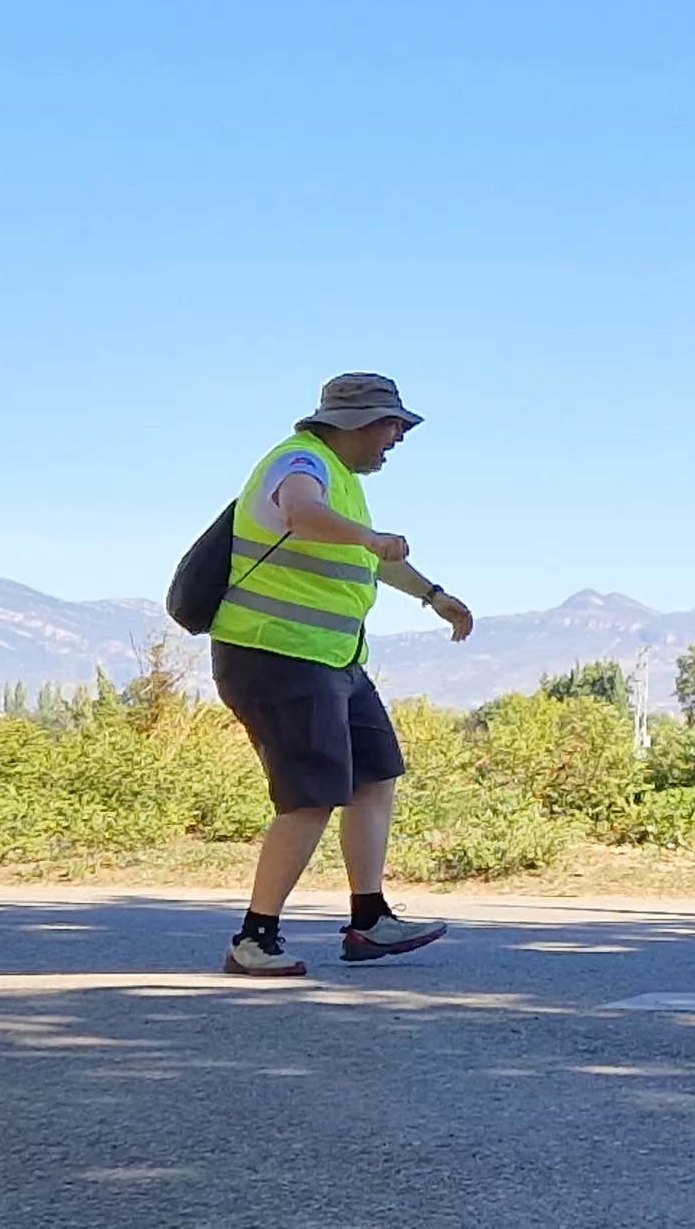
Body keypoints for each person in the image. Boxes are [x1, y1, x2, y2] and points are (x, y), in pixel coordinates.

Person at [210, 371, 475, 977]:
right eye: (393, 425)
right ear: (358, 423)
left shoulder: (344, 481)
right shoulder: (300, 462)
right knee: (310, 796)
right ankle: (254, 938)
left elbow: (369, 557)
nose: (398, 438)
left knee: (375, 776)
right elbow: (303, 515)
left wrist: (434, 596)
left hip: (334, 659)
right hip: (276, 655)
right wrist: (370, 537)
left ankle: (369, 919)